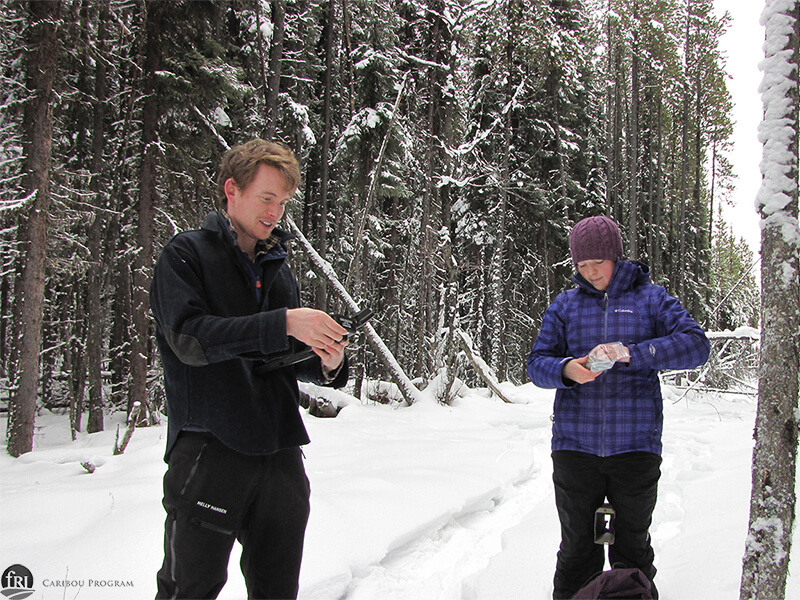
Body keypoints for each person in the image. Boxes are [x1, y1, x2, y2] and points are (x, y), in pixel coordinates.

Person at [150, 139, 350, 599]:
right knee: (189, 589)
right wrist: (281, 323)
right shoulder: (186, 255)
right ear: (231, 190)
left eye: (282, 203)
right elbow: (189, 339)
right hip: (210, 446)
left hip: (279, 453)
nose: (275, 212)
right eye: (266, 198)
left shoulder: (279, 270)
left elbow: (280, 361)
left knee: (278, 590)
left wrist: (328, 361)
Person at [526, 215, 710, 600]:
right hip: (575, 446)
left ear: (616, 256)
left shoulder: (651, 298)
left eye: (598, 263)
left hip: (636, 446)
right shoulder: (566, 305)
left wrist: (632, 353)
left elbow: (696, 345)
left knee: (632, 549)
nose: (591, 272)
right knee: (578, 550)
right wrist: (566, 369)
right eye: (582, 265)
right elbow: (536, 364)